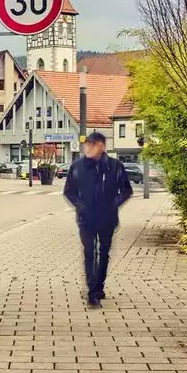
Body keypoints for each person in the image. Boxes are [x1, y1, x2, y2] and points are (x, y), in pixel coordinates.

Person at [63, 132, 132, 308]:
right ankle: (92, 291)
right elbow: (68, 191)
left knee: (104, 253)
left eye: (92, 144)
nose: (88, 147)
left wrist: (113, 204)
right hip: (86, 218)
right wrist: (80, 205)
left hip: (107, 218)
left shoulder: (115, 167)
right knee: (89, 253)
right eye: (87, 144)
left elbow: (126, 190)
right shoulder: (78, 167)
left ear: (102, 145)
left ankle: (99, 285)